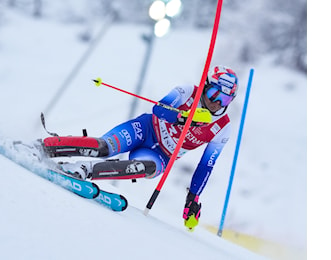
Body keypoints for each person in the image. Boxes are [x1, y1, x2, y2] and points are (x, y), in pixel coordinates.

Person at [39, 65, 239, 230]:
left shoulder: (223, 128)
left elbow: (206, 166)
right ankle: (47, 146)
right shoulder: (188, 92)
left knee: (143, 168)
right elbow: (159, 108)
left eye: (225, 99)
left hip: (161, 155)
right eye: (214, 94)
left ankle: (83, 169)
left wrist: (193, 199)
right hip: (145, 129)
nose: (216, 103)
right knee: (105, 147)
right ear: (205, 86)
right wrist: (183, 117)